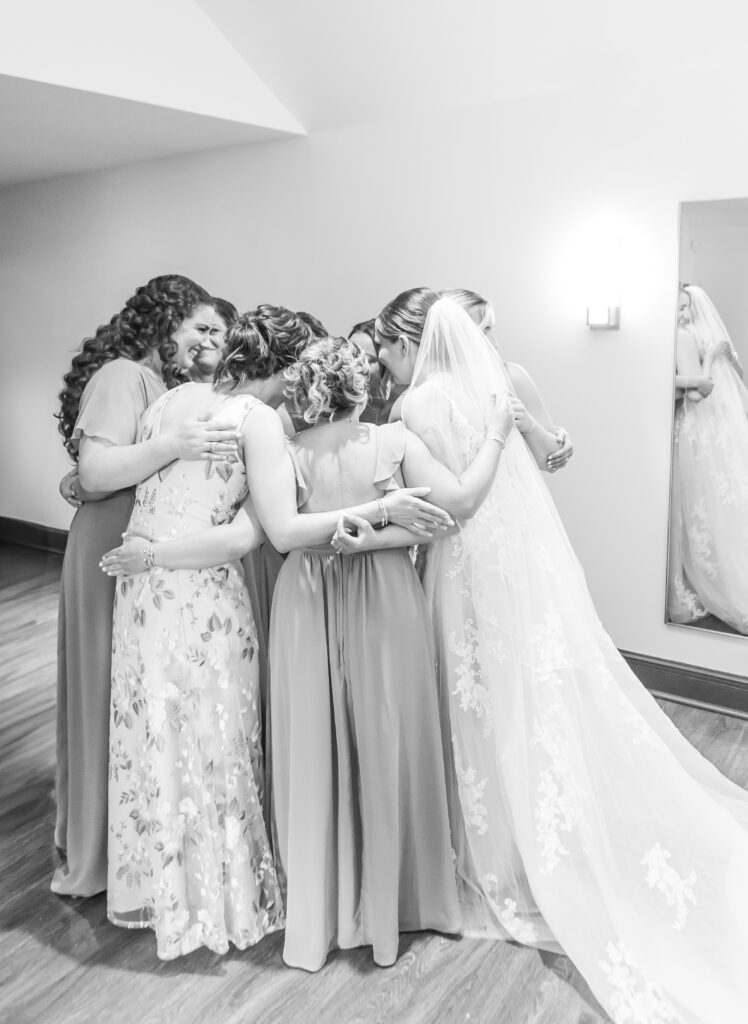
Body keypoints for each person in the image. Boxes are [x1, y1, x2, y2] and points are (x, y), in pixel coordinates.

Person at [373, 288, 748, 1024]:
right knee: (531, 692)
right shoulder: (506, 379)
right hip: (525, 561)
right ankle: (539, 826)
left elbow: (444, 501)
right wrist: (545, 440)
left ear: (414, 339)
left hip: (461, 563)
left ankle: (497, 844)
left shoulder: (409, 410)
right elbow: (552, 453)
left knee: (474, 693)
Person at [52, 275, 239, 898]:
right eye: (202, 329)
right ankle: (97, 851)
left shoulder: (167, 385)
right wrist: (170, 444)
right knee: (105, 686)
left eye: (219, 332)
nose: (211, 342)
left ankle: (134, 839)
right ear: (165, 323)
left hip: (140, 544)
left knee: (133, 695)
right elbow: (97, 471)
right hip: (109, 544)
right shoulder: (122, 375)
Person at [667, 284, 748, 633]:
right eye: (679, 307)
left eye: (686, 307)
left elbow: (697, 390)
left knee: (702, 506)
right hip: (695, 431)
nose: (684, 315)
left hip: (692, 431)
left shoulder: (682, 335)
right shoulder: (685, 336)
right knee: (707, 506)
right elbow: (701, 390)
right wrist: (714, 357)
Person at [439, 289, 574, 472]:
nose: (495, 343)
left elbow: (552, 458)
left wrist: (529, 424)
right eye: (485, 330)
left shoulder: (512, 376)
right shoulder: (434, 389)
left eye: (492, 329)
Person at [348, 318, 406, 425]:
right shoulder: (332, 412)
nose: (355, 365)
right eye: (350, 356)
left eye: (367, 360)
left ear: (386, 366)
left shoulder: (400, 412)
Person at [189, 296, 237, 383]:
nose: (203, 341)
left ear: (233, 334)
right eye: (200, 330)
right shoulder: (172, 385)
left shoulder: (248, 387)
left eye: (214, 331)